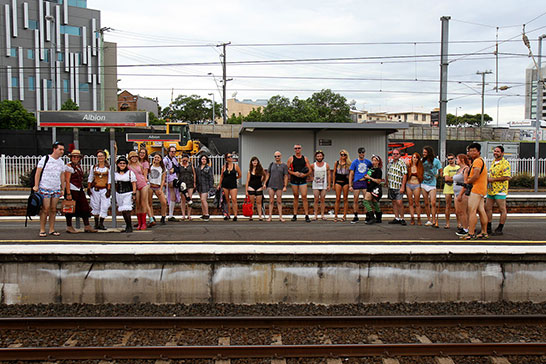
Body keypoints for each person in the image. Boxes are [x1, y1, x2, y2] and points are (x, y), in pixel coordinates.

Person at [33, 142, 66, 237]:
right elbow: (38, 173)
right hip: (45, 187)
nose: (62, 152)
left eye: (63, 150)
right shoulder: (45, 159)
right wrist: (36, 185)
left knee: (53, 209)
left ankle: (52, 229)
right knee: (45, 209)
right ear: (54, 149)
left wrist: (62, 188)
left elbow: (62, 175)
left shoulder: (61, 162)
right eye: (60, 149)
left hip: (55, 188)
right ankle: (42, 229)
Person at [64, 149, 97, 234]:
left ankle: (87, 225)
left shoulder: (78, 166)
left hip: (79, 189)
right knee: (70, 208)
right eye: (74, 157)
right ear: (71, 158)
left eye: (77, 157)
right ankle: (69, 226)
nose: (75, 158)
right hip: (71, 189)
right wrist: (68, 193)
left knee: (84, 206)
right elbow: (67, 180)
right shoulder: (68, 166)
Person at [462, 142, 489, 240]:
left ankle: (471, 232)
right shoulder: (481, 160)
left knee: (472, 211)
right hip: (481, 189)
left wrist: (468, 181)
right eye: (470, 151)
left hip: (476, 188)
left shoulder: (477, 161)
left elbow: (476, 174)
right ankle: (484, 232)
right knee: (481, 210)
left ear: (478, 151)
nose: (472, 153)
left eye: (474, 151)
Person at [485, 145, 511, 236]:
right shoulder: (494, 162)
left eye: (498, 151)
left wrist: (494, 179)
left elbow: (507, 177)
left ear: (502, 153)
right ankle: (488, 226)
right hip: (491, 189)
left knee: (502, 209)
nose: (495, 153)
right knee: (487, 208)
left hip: (500, 190)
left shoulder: (505, 163)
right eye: (495, 151)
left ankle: (500, 227)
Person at [287, 144, 312, 222]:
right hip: (294, 180)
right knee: (296, 196)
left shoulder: (305, 158)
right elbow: (287, 169)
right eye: (296, 148)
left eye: (299, 148)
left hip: (302, 180)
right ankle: (294, 214)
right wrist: (294, 173)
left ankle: (307, 215)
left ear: (301, 149)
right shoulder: (291, 158)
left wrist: (304, 175)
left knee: (304, 196)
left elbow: (310, 170)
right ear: (294, 149)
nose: (297, 149)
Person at [128, 150, 151, 230]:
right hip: (135, 186)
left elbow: (144, 174)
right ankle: (139, 222)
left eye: (135, 156)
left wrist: (146, 180)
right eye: (132, 157)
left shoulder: (140, 165)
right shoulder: (128, 166)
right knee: (137, 204)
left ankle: (144, 223)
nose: (134, 158)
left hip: (143, 184)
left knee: (143, 202)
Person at [88, 150, 111, 230]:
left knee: (104, 205)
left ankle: (101, 223)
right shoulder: (94, 167)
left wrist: (108, 190)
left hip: (104, 189)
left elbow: (109, 180)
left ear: (105, 157)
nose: (100, 157)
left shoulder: (108, 168)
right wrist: (89, 187)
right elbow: (90, 178)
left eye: (102, 156)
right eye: (99, 156)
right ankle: (96, 223)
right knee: (95, 205)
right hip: (96, 189)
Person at [349, 147, 373, 224]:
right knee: (355, 199)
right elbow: (351, 173)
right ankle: (356, 215)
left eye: (363, 152)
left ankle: (367, 215)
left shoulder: (368, 162)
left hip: (365, 182)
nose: (361, 154)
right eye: (360, 153)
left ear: (364, 153)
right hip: (357, 181)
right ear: (358, 153)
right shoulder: (355, 162)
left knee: (366, 200)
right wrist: (350, 185)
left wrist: (369, 177)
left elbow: (372, 169)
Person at [421, 146, 442, 228]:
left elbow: (440, 169)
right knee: (426, 203)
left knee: (433, 202)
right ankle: (429, 219)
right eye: (423, 152)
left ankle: (434, 220)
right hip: (423, 183)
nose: (424, 154)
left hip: (432, 183)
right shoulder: (422, 161)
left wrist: (440, 175)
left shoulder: (436, 161)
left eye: (425, 152)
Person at [115, 156, 137, 233]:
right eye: (120, 163)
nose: (122, 164)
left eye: (124, 163)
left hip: (128, 193)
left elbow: (134, 184)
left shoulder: (130, 173)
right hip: (118, 194)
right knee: (123, 210)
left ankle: (129, 226)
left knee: (127, 210)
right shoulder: (115, 174)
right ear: (117, 164)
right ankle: (127, 225)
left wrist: (134, 194)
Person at [265, 151, 288, 222]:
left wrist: (285, 186)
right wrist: (265, 183)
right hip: (271, 184)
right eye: (275, 156)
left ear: (280, 156)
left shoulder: (284, 165)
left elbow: (286, 176)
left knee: (279, 201)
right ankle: (270, 216)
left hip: (279, 185)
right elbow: (268, 174)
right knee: (271, 201)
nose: (277, 157)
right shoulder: (271, 164)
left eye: (278, 156)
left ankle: (280, 216)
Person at [386, 149, 407, 225]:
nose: (395, 155)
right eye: (394, 154)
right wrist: (387, 182)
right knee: (394, 202)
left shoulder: (402, 163)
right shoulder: (390, 163)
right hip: (391, 186)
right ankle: (396, 217)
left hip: (399, 186)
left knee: (399, 202)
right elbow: (388, 173)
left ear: (399, 155)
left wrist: (403, 186)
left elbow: (404, 175)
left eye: (397, 154)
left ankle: (402, 218)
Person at [219, 152, 241, 221]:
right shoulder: (224, 166)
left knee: (234, 199)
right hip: (225, 184)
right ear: (226, 159)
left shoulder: (235, 166)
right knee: (227, 200)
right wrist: (219, 184)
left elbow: (240, 175)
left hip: (233, 184)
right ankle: (228, 214)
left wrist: (235, 178)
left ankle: (235, 215)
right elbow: (222, 176)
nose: (231, 158)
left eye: (231, 156)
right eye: (229, 157)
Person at [362, 155, 384, 224]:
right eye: (373, 160)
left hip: (374, 187)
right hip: (369, 186)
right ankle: (378, 216)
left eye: (375, 160)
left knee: (365, 201)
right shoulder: (371, 169)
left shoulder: (378, 170)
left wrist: (370, 178)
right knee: (374, 202)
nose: (373, 162)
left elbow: (378, 181)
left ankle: (372, 217)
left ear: (378, 162)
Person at [453, 153, 471, 236]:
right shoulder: (458, 169)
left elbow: (465, 182)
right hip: (456, 192)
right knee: (458, 211)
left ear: (462, 160)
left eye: (457, 159)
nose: (456, 160)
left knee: (463, 211)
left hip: (462, 192)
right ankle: (464, 226)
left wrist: (460, 194)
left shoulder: (466, 169)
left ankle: (466, 228)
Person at [310, 150, 330, 221]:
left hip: (323, 184)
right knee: (316, 199)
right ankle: (315, 215)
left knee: (322, 200)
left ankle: (322, 215)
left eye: (320, 156)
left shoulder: (326, 165)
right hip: (316, 185)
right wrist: (311, 177)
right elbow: (309, 172)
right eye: (318, 156)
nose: (319, 157)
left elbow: (329, 175)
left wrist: (329, 185)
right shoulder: (313, 165)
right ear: (316, 157)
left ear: (323, 156)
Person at [245, 156, 267, 221]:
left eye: (256, 161)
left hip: (259, 187)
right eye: (253, 161)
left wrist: (264, 183)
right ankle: (251, 216)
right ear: (251, 162)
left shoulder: (261, 170)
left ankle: (260, 216)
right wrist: (246, 191)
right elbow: (247, 181)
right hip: (251, 187)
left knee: (259, 202)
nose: (255, 162)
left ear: (258, 162)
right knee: (251, 203)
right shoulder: (250, 171)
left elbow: (265, 176)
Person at [148, 153, 168, 225]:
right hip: (150, 186)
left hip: (157, 186)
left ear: (160, 159)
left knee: (164, 202)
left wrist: (161, 188)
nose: (156, 159)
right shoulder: (150, 166)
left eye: (158, 157)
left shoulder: (162, 168)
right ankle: (152, 216)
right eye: (155, 157)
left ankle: (163, 217)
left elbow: (163, 179)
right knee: (149, 202)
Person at [138, 147, 155, 227]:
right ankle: (141, 220)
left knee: (145, 202)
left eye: (143, 153)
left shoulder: (145, 163)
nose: (142, 154)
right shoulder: (136, 162)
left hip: (143, 183)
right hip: (137, 182)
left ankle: (151, 218)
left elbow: (145, 175)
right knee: (139, 203)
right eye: (140, 152)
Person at [442, 153, 460, 229]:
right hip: (448, 188)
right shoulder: (446, 168)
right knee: (448, 206)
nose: (450, 160)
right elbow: (446, 179)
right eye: (449, 159)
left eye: (451, 158)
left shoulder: (458, 167)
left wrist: (451, 178)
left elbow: (461, 178)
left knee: (458, 207)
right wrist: (455, 178)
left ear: (455, 158)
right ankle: (447, 223)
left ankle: (459, 223)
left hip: (457, 188)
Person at [406, 152, 424, 225]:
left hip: (416, 184)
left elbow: (421, 176)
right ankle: (412, 218)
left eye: (416, 158)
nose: (415, 159)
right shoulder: (409, 166)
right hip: (409, 184)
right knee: (410, 202)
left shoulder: (420, 167)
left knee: (417, 202)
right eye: (414, 157)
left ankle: (419, 218)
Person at [163, 146, 180, 222]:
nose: (173, 153)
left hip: (174, 178)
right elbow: (163, 170)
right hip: (168, 180)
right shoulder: (165, 160)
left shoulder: (174, 159)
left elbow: (177, 168)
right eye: (172, 151)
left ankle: (170, 214)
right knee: (170, 197)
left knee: (173, 197)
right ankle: (168, 215)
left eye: (174, 151)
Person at [333, 149, 351, 222]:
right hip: (338, 181)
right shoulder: (336, 163)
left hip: (345, 182)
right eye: (341, 154)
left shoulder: (349, 164)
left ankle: (344, 215)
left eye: (344, 155)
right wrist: (333, 184)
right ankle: (336, 215)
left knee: (345, 199)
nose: (342, 156)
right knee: (337, 199)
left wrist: (350, 184)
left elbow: (350, 174)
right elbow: (334, 173)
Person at [196, 154, 215, 221]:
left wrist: (211, 186)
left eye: (205, 159)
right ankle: (204, 214)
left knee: (203, 200)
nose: (203, 160)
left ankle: (207, 214)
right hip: (199, 186)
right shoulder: (198, 168)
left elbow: (211, 178)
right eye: (202, 159)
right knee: (202, 200)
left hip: (206, 185)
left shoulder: (208, 168)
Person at [178, 154, 196, 220]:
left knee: (189, 198)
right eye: (184, 159)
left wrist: (194, 182)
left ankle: (189, 214)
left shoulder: (191, 165)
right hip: (182, 183)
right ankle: (183, 215)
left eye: (186, 160)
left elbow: (194, 173)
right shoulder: (179, 165)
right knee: (183, 199)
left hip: (190, 183)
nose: (185, 161)